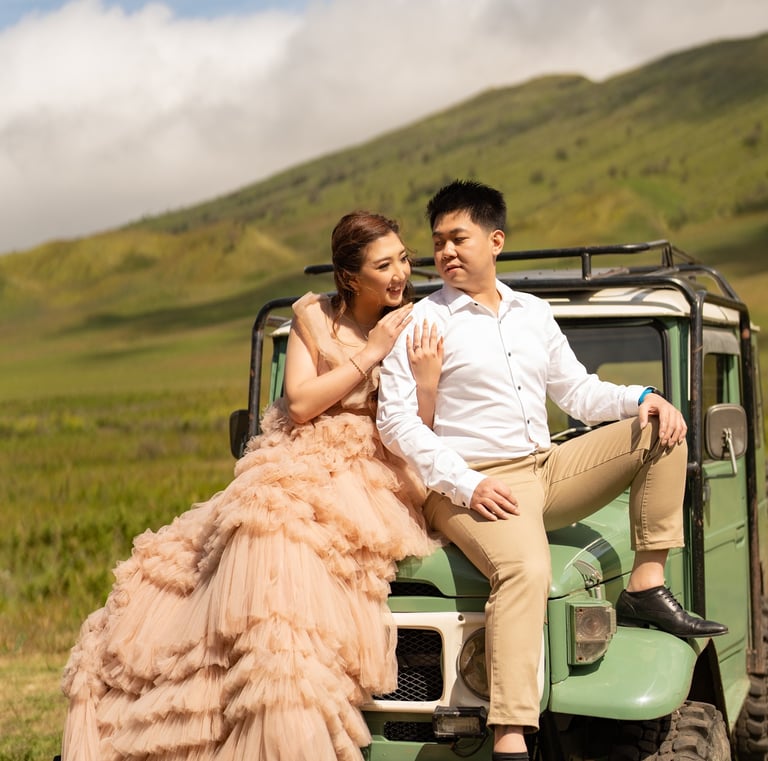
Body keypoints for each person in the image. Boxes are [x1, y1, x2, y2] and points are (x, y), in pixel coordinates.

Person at [60, 211, 441, 761]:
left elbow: (418, 428)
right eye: (384, 265)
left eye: (403, 258)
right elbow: (302, 403)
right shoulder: (315, 317)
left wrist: (426, 380)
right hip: (297, 456)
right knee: (258, 527)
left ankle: (292, 693)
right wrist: (371, 350)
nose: (400, 273)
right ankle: (260, 685)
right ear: (350, 277)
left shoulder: (414, 322)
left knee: (295, 551)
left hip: (370, 471)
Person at [376, 180, 728, 761]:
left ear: (495, 241)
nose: (446, 252)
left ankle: (646, 585)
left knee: (662, 429)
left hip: (545, 468)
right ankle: (511, 737)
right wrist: (468, 483)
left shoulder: (532, 313)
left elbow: (578, 392)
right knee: (526, 569)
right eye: (437, 242)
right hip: (468, 482)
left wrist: (642, 396)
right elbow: (396, 423)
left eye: (458, 238)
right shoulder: (421, 322)